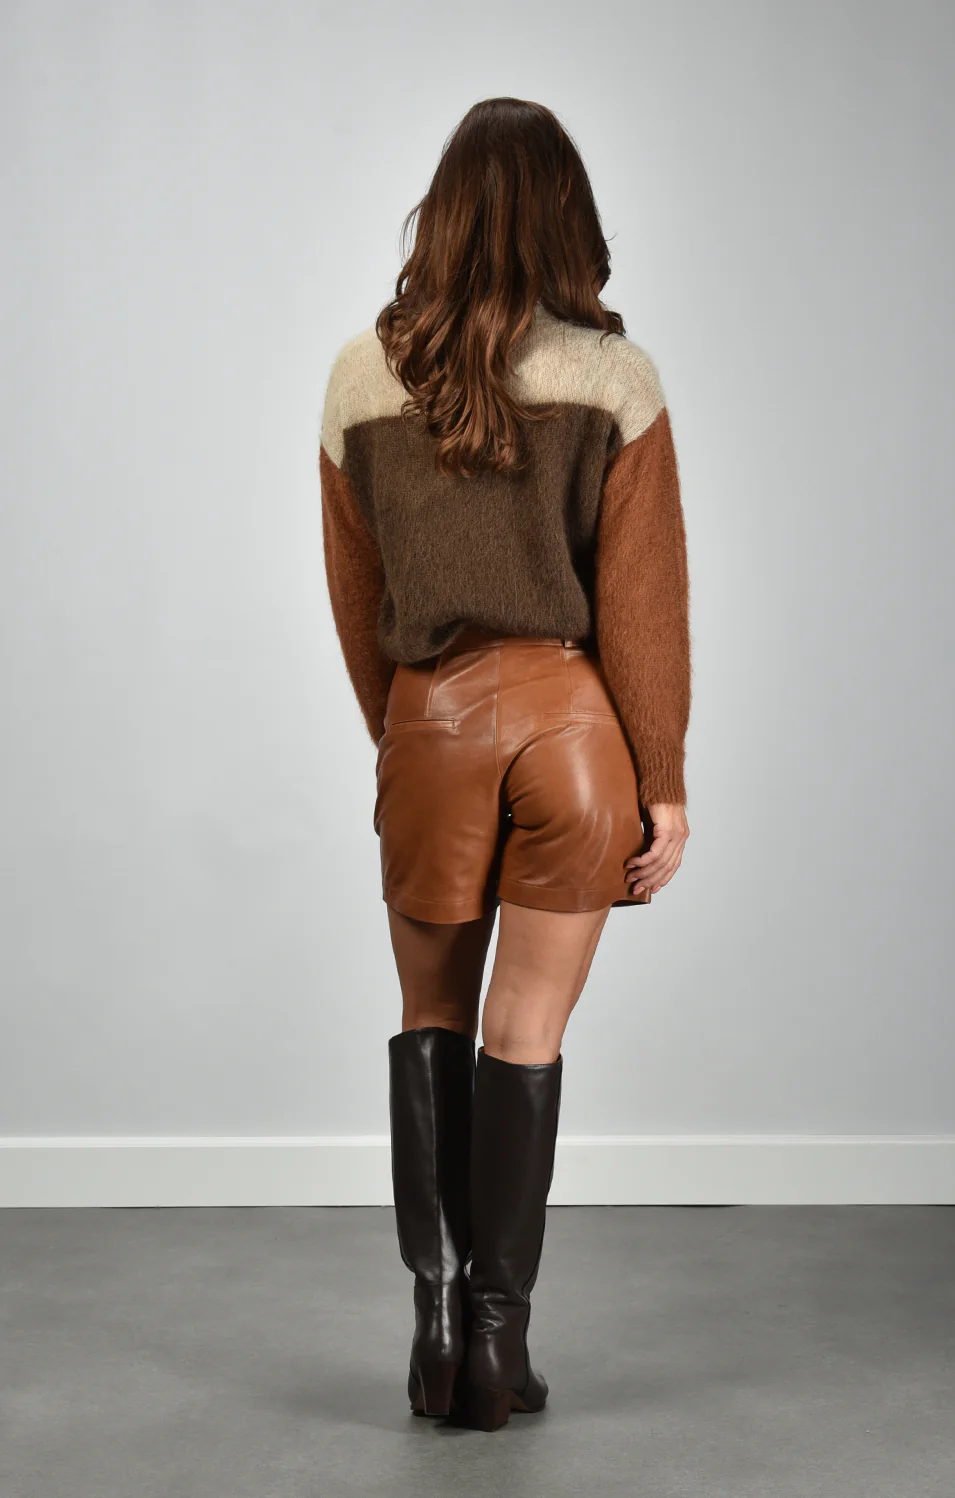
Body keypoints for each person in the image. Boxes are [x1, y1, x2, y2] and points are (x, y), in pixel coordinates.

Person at [318, 96, 692, 1432]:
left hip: (429, 718)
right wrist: (663, 777)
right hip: (572, 731)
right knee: (523, 1031)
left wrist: (407, 733)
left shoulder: (361, 377)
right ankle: (497, 1348)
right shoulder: (615, 377)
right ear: (565, 216)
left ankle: (431, 1335)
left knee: (430, 1015)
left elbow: (355, 595)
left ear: (443, 213)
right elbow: (641, 602)